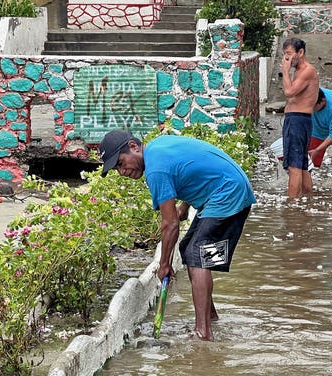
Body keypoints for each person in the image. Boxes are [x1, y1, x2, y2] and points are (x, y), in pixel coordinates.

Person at [99, 130, 256, 341]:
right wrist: (185, 206)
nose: (122, 171)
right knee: (188, 248)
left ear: (133, 147)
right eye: (117, 168)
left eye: (120, 163)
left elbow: (170, 224)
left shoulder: (155, 170)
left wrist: (163, 265)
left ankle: (203, 332)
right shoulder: (158, 148)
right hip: (228, 188)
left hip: (228, 193)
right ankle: (211, 318)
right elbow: (193, 170)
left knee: (197, 255)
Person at [281, 37, 320, 198]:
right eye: (285, 55)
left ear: (301, 52)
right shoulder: (299, 72)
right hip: (300, 120)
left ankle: (291, 210)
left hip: (297, 120)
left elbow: (289, 92)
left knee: (294, 166)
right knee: (302, 165)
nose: (286, 59)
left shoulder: (307, 71)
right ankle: (307, 201)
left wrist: (285, 71)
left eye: (289, 54)